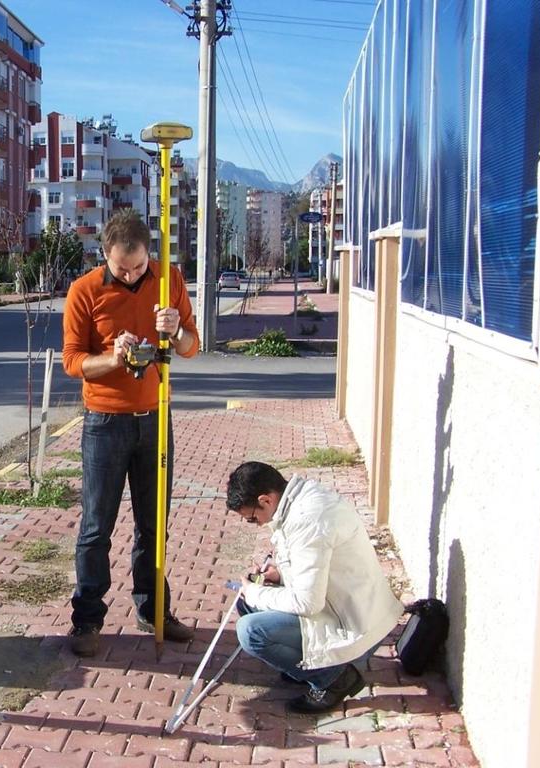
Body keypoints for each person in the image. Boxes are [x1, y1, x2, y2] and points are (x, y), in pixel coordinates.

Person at [61, 210, 200, 657]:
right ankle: (86, 620)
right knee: (96, 525)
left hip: (156, 416)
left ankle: (154, 609)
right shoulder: (85, 290)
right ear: (105, 255)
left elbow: (192, 347)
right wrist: (114, 359)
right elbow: (72, 362)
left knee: (152, 524)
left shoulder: (169, 280)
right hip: (105, 421)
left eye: (138, 267)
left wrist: (175, 328)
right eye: (122, 268)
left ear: (148, 255)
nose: (131, 275)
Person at [226, 461, 403, 713]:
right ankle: (306, 666)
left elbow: (308, 603)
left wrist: (257, 593)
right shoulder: (302, 499)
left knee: (250, 631)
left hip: (354, 625)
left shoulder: (306, 520)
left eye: (253, 519)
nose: (258, 524)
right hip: (346, 608)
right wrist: (279, 575)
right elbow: (315, 566)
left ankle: (334, 678)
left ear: (266, 500)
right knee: (247, 602)